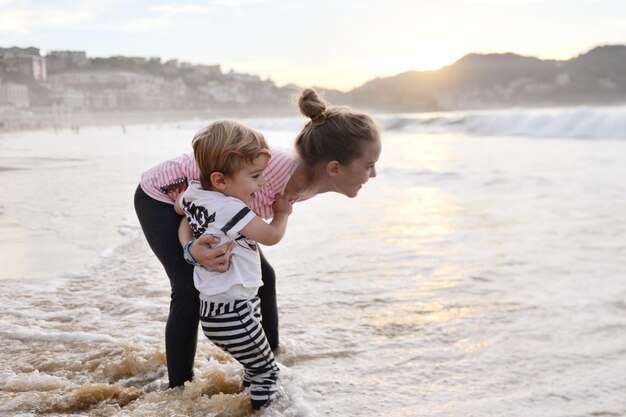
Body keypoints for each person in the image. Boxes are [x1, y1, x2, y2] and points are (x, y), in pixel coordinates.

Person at [134, 88, 381, 389]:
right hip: (163, 197)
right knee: (188, 291)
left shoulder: (306, 178)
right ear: (334, 168)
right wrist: (190, 250)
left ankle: (270, 359)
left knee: (266, 277)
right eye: (369, 165)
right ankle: (179, 389)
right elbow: (196, 200)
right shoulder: (268, 174)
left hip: (205, 201)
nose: (374, 174)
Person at [174, 120, 292, 410]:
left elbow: (180, 212)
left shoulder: (193, 193)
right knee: (267, 370)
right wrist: (282, 213)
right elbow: (272, 236)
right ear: (220, 180)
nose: (262, 183)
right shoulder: (230, 208)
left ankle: (249, 406)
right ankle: (263, 411)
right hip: (234, 310)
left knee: (254, 369)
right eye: (254, 176)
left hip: (218, 310)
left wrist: (189, 246)